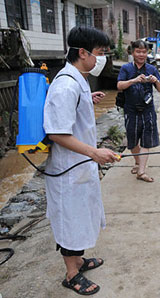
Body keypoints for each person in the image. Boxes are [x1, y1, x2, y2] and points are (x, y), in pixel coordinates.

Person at [43, 26, 119, 295]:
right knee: (70, 219)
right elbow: (56, 132)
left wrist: (88, 98)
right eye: (100, 53)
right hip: (68, 169)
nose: (102, 59)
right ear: (83, 52)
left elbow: (73, 114)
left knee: (82, 214)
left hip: (80, 165)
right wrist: (94, 153)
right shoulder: (65, 86)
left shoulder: (78, 80)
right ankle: (71, 273)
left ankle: (78, 260)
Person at [117, 40, 160, 182]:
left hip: (148, 110)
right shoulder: (126, 68)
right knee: (132, 141)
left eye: (144, 52)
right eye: (138, 51)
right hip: (130, 110)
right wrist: (134, 80)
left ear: (147, 53)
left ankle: (141, 171)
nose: (141, 54)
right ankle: (137, 162)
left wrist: (155, 81)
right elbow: (119, 85)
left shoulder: (152, 69)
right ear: (132, 53)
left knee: (146, 141)